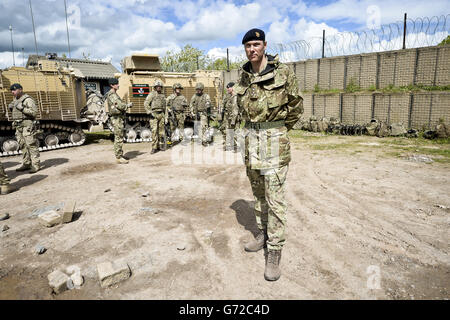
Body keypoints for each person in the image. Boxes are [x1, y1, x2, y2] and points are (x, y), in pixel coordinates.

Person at [235, 28, 304, 281]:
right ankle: (262, 235)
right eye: (247, 46)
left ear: (265, 45)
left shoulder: (283, 72)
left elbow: (296, 106)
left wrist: (279, 132)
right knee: (258, 196)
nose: (251, 49)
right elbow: (242, 110)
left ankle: (274, 252)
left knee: (275, 200)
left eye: (256, 44)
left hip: (274, 142)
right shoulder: (242, 76)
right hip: (251, 142)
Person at [9, 83, 41, 173]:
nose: (13, 92)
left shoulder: (28, 99)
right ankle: (26, 163)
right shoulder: (15, 99)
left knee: (31, 145)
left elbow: (34, 113)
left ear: (20, 89)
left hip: (27, 125)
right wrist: (11, 107)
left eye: (14, 90)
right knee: (22, 145)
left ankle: (36, 165)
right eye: (11, 90)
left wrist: (22, 108)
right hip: (18, 126)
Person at [105, 78, 130, 164]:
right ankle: (118, 157)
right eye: (116, 84)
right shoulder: (112, 94)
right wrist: (127, 106)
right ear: (112, 85)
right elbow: (119, 105)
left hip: (118, 118)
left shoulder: (114, 94)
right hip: (116, 118)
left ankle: (120, 154)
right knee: (118, 137)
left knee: (120, 136)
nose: (118, 85)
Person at [145, 80, 167, 153]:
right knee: (154, 131)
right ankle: (154, 147)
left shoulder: (163, 95)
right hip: (154, 114)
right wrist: (149, 112)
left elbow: (165, 107)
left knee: (161, 132)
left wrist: (166, 116)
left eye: (160, 87)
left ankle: (161, 145)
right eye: (157, 87)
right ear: (155, 87)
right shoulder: (152, 94)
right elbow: (146, 103)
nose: (158, 88)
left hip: (161, 114)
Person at [219, 82, 239, 151]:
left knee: (235, 131)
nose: (227, 89)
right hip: (227, 116)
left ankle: (235, 146)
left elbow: (236, 109)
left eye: (228, 88)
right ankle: (228, 145)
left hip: (235, 117)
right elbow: (223, 105)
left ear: (232, 88)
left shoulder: (237, 96)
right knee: (227, 130)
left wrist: (234, 119)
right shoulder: (227, 96)